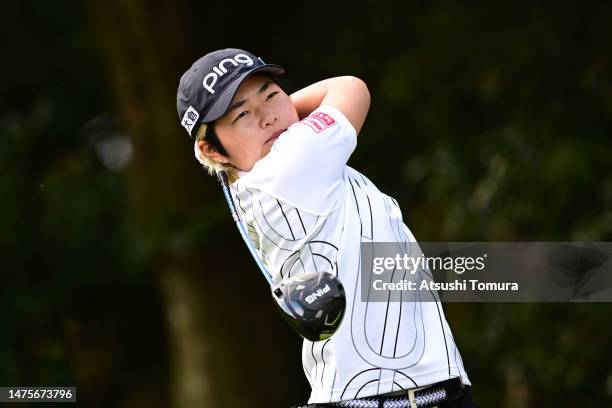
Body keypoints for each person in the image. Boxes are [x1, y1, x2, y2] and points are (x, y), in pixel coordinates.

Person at [177, 48, 475, 408]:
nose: (267, 116)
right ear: (212, 150)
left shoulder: (254, 180)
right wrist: (287, 112)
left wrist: (275, 113)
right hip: (395, 398)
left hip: (396, 393)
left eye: (271, 95)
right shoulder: (290, 163)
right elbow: (351, 88)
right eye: (242, 114)